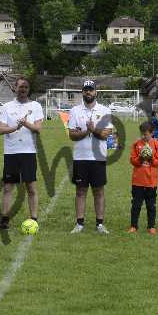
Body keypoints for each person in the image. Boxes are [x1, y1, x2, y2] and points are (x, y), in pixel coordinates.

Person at [0, 77, 43, 231]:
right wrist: (16, 127)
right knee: (8, 188)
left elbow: (38, 129)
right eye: (20, 86)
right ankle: (4, 219)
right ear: (14, 88)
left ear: (29, 89)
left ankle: (34, 218)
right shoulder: (7, 107)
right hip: (11, 152)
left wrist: (26, 124)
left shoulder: (35, 106)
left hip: (28, 152)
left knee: (31, 188)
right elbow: (0, 130)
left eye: (26, 87)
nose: (23, 89)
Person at [68, 79, 113, 234]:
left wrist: (93, 130)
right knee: (80, 191)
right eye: (86, 89)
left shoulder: (105, 110)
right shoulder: (75, 110)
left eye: (91, 89)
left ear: (96, 92)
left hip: (98, 157)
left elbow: (106, 134)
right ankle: (79, 223)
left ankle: (100, 224)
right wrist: (86, 131)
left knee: (98, 191)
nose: (88, 92)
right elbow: (72, 135)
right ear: (82, 92)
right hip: (80, 157)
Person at [128, 119, 158, 233]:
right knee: (136, 205)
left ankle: (151, 226)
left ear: (151, 133)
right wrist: (141, 158)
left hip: (151, 181)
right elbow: (133, 161)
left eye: (146, 134)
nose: (144, 136)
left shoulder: (156, 144)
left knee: (151, 205)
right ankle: (133, 226)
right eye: (142, 134)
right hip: (138, 181)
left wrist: (151, 158)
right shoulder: (136, 144)